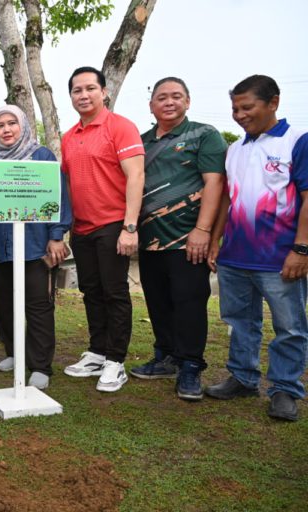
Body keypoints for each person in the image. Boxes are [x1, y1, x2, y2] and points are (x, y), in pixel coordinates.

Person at [206, 75, 308, 422]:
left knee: (290, 327)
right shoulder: (235, 148)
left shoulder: (297, 141)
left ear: (273, 103)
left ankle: (284, 389)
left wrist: (302, 249)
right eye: (235, 108)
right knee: (240, 321)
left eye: (247, 107)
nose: (239, 114)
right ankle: (243, 377)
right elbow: (226, 200)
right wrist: (217, 242)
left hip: (280, 258)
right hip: (235, 256)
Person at [130, 77, 226, 401]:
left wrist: (203, 230)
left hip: (188, 240)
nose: (169, 102)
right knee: (157, 301)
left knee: (189, 304)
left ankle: (190, 366)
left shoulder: (204, 135)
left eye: (176, 96)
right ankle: (166, 356)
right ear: (151, 105)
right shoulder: (140, 142)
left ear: (188, 101)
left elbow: (215, 184)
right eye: (162, 97)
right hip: (149, 240)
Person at [0, 105, 72, 389]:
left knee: (38, 306)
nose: (6, 129)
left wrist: (56, 235)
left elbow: (58, 197)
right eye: (0, 125)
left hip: (35, 246)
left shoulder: (41, 156)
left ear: (23, 125)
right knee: (4, 305)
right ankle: (15, 353)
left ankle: (40, 365)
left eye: (12, 123)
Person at [61, 66, 145, 393]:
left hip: (113, 224)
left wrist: (130, 227)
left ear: (104, 91)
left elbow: (136, 177)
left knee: (114, 293)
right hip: (82, 229)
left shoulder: (121, 127)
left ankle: (115, 361)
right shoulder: (69, 137)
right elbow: (68, 182)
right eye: (76, 90)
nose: (83, 95)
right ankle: (97, 352)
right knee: (91, 292)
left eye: (90, 89)